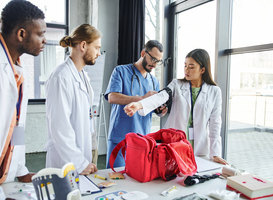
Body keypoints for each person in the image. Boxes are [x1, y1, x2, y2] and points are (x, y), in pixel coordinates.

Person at [124, 49, 228, 165]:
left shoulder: (214, 91)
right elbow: (161, 96)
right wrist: (139, 105)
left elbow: (215, 124)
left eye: (191, 67)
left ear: (202, 70)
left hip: (199, 147)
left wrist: (216, 153)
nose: (186, 70)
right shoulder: (176, 84)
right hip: (174, 143)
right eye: (185, 65)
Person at [45, 24, 101, 175]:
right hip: (66, 161)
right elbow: (59, 126)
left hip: (81, 152)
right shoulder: (61, 77)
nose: (99, 53)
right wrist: (79, 162)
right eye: (96, 48)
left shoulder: (83, 76)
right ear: (83, 45)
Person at [0, 0, 47, 184]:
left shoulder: (18, 67)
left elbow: (17, 125)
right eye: (41, 34)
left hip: (7, 177)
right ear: (21, 34)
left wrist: (20, 170)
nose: (45, 40)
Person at [104, 40, 168, 168]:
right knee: (115, 178)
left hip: (142, 139)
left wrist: (160, 110)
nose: (154, 64)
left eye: (158, 61)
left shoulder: (154, 81)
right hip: (120, 137)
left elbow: (153, 108)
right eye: (153, 59)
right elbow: (111, 97)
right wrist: (141, 99)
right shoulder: (121, 71)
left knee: (137, 179)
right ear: (143, 53)